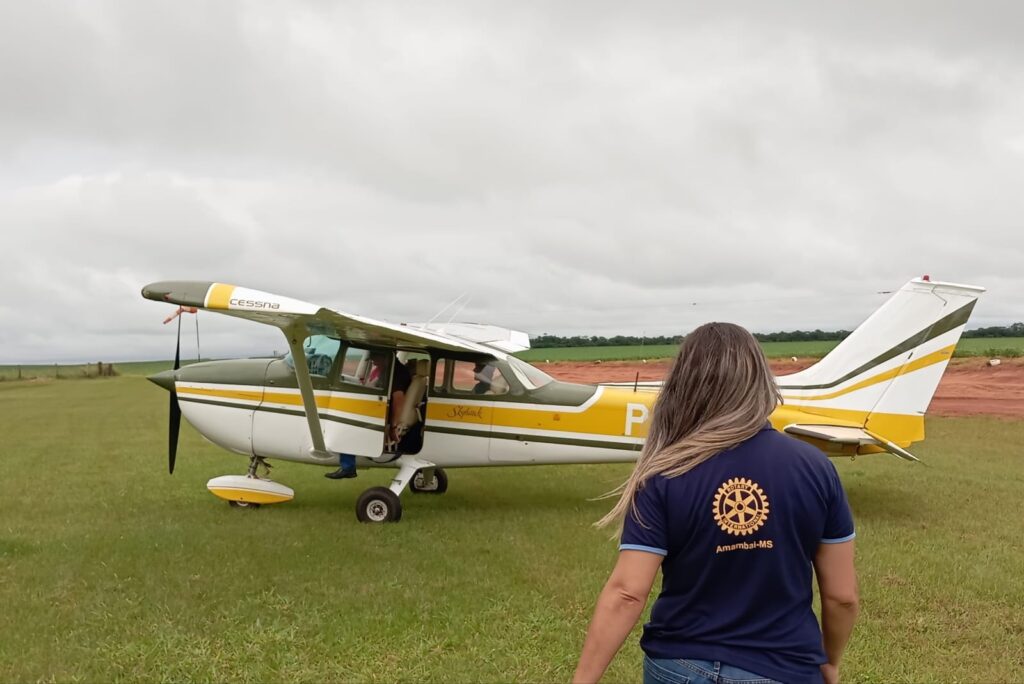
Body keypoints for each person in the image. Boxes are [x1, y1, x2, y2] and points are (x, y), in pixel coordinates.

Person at [573, 323, 859, 684]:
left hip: (677, 666)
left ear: (684, 384)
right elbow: (842, 596)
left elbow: (628, 592)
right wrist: (829, 661)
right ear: (759, 380)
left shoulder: (663, 473)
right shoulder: (817, 468)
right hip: (784, 669)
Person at [326, 350, 413, 479]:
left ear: (384, 357)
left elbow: (398, 400)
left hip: (382, 415)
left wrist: (394, 426)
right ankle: (347, 466)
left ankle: (348, 467)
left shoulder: (395, 373)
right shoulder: (390, 369)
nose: (374, 362)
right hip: (382, 411)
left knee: (347, 425)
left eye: (375, 359)